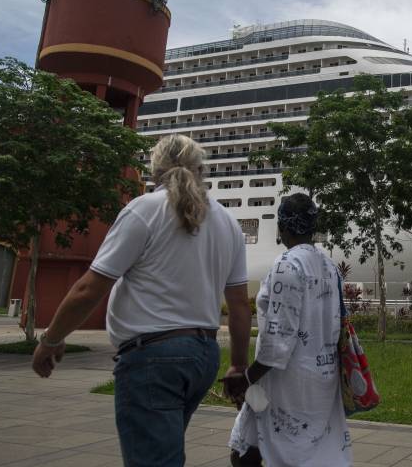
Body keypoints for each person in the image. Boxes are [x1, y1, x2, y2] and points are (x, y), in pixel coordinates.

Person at [31, 134, 251, 467]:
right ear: (201, 169)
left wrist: (51, 339)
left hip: (154, 357)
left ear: (154, 169)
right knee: (164, 453)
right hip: (203, 356)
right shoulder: (227, 222)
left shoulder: (144, 209)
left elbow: (88, 289)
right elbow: (239, 307)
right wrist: (237, 365)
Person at [226, 193, 352, 467]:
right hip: (322, 381)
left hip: (287, 385)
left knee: (247, 453)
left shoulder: (287, 265)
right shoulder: (330, 267)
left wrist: (247, 377)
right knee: (308, 453)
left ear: (282, 227)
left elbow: (278, 340)